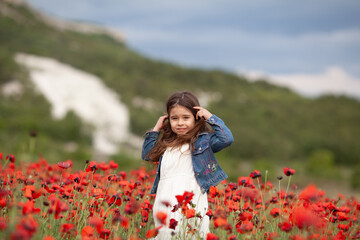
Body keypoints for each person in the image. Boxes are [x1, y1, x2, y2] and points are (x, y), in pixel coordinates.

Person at [141, 91, 233, 239]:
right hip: (164, 201)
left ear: (196, 117)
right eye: (174, 118)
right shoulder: (166, 145)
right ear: (168, 120)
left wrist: (210, 117)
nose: (180, 123)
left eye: (186, 117)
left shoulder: (202, 142)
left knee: (190, 234)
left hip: (191, 204)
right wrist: (155, 130)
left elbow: (226, 139)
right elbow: (147, 155)